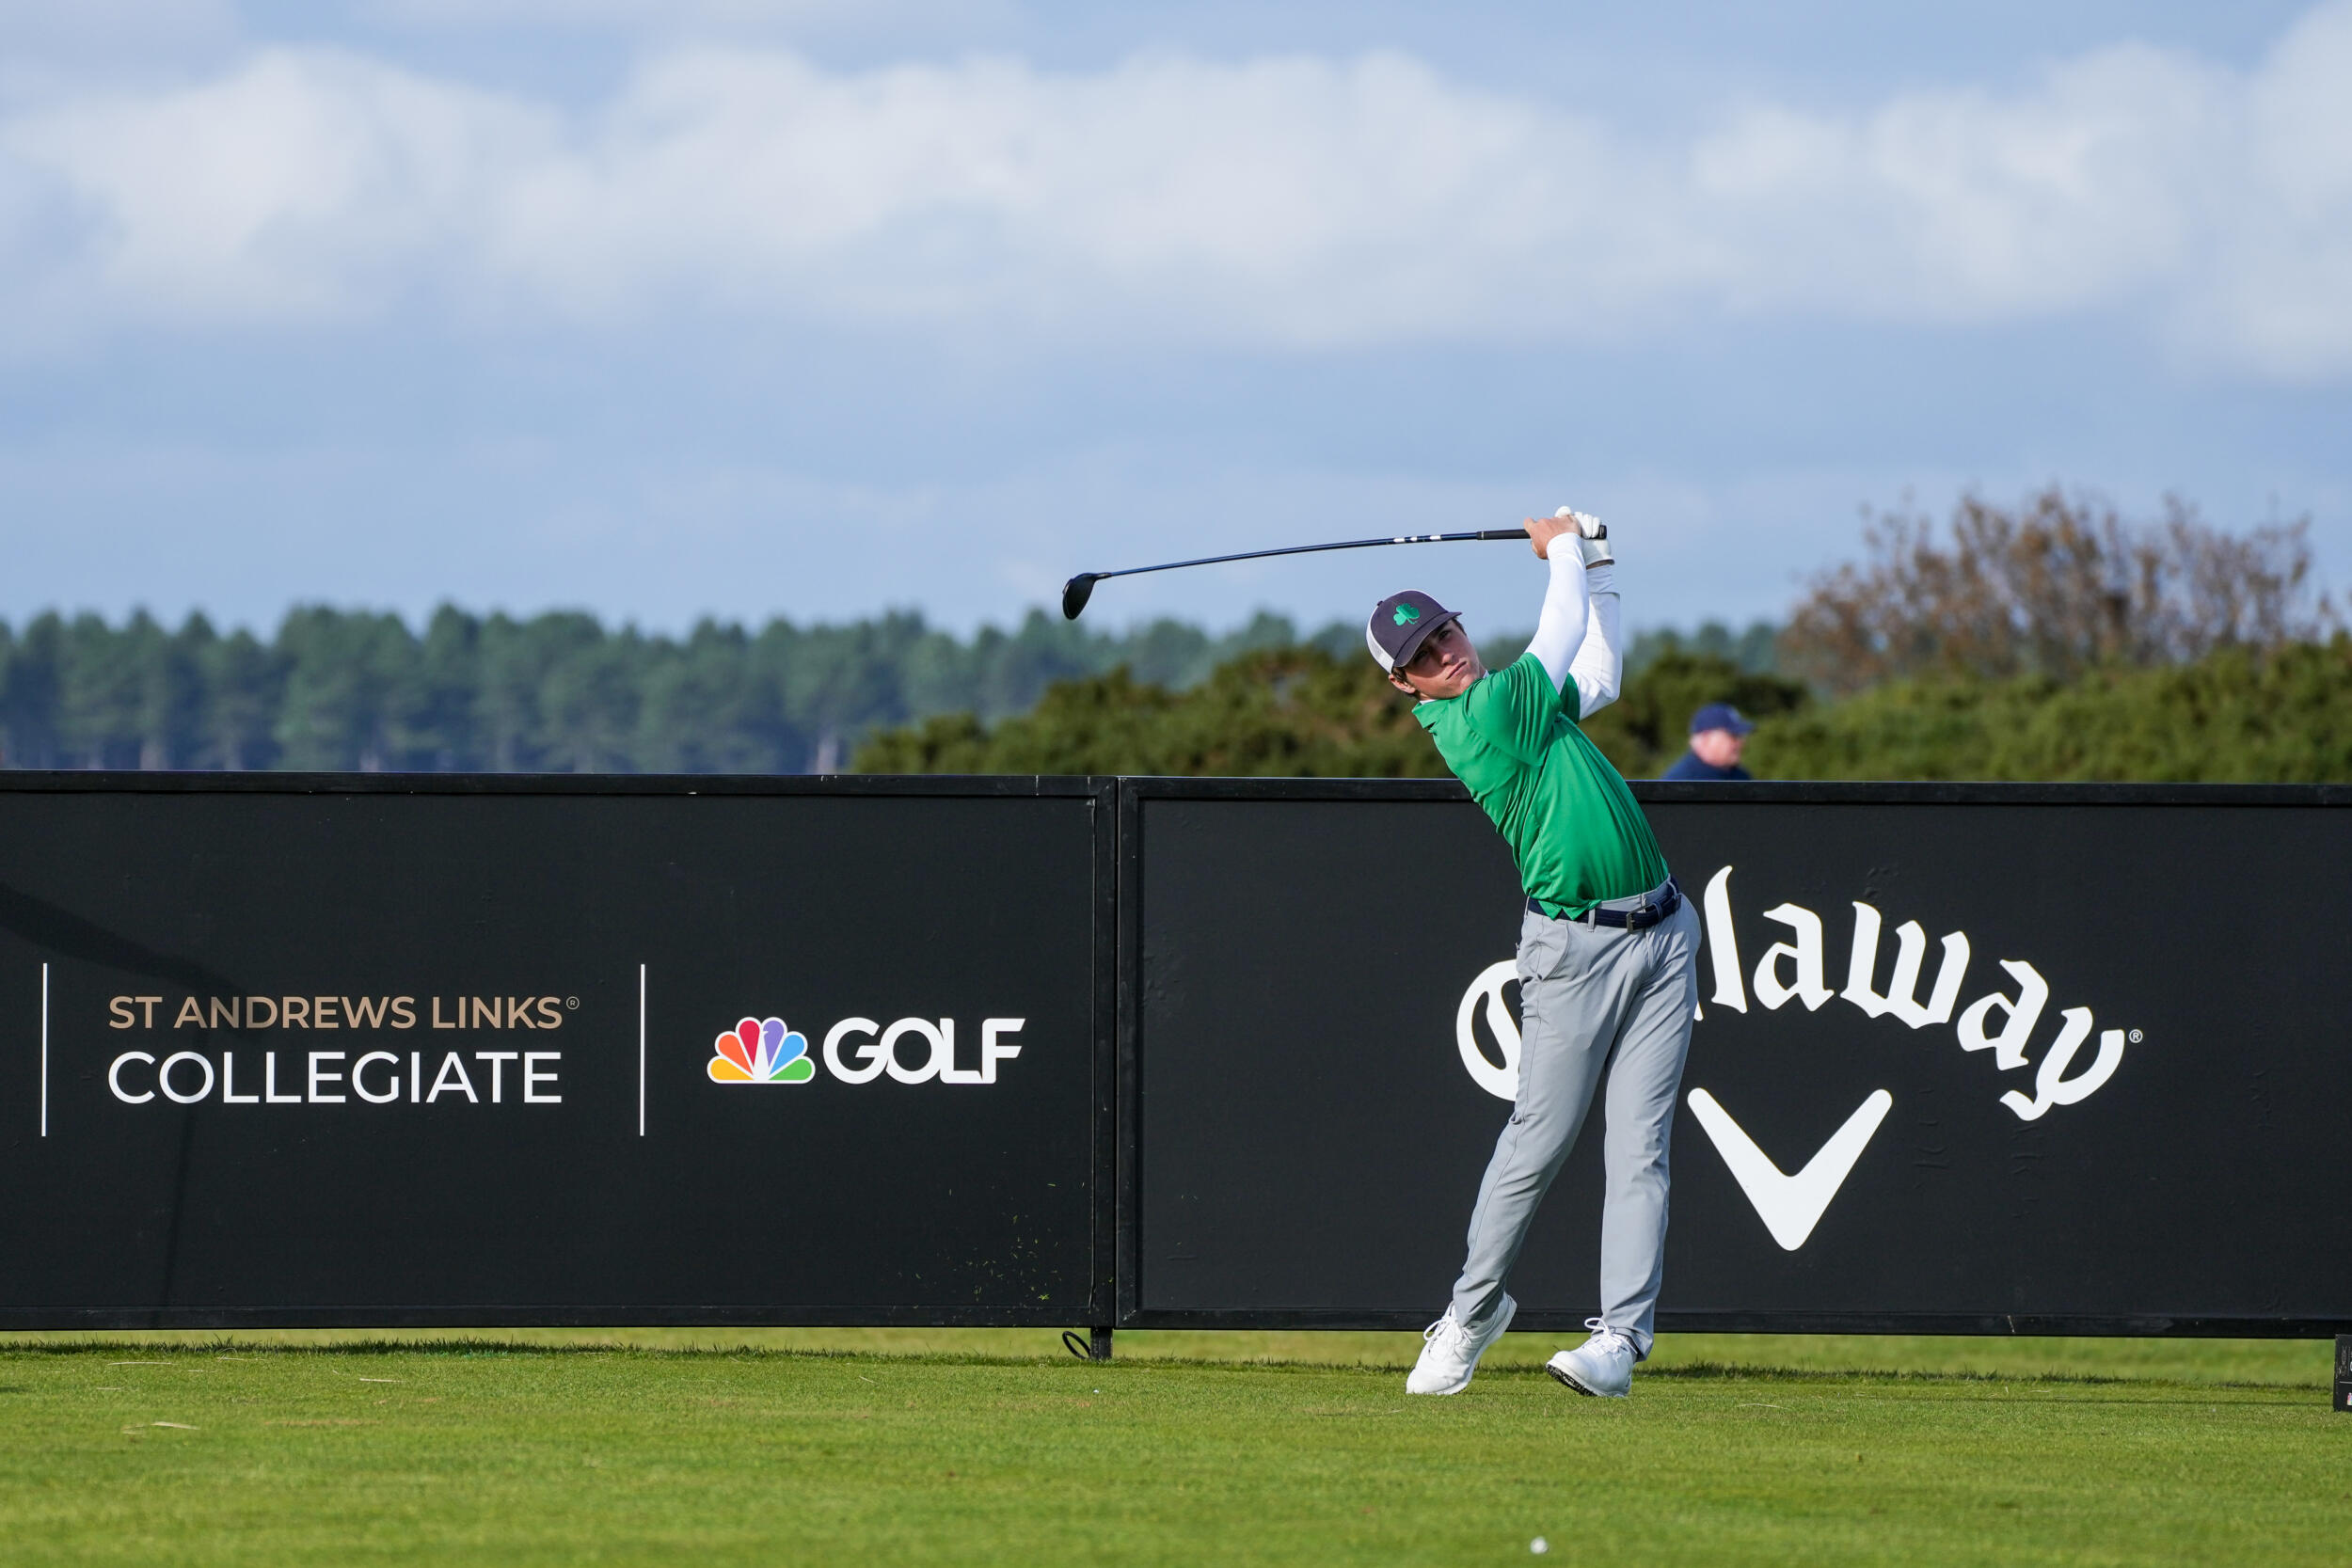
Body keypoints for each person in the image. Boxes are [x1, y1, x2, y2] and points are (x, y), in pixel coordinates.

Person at [1364, 506, 1700, 1402]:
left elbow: (1597, 670)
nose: (1448, 654)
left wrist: (1598, 559)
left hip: (1665, 933)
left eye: (1448, 633)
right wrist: (1557, 550)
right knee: (1538, 1145)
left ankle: (1621, 1342)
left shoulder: (1521, 702)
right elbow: (1556, 632)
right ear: (1409, 687)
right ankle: (1470, 1313)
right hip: (1571, 950)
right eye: (1425, 657)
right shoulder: (1478, 720)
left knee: (1641, 1150)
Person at [1661, 703, 1756, 781]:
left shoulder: (1741, 777)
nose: (1740, 742)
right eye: (1733, 736)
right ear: (1705, 738)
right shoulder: (1680, 782)